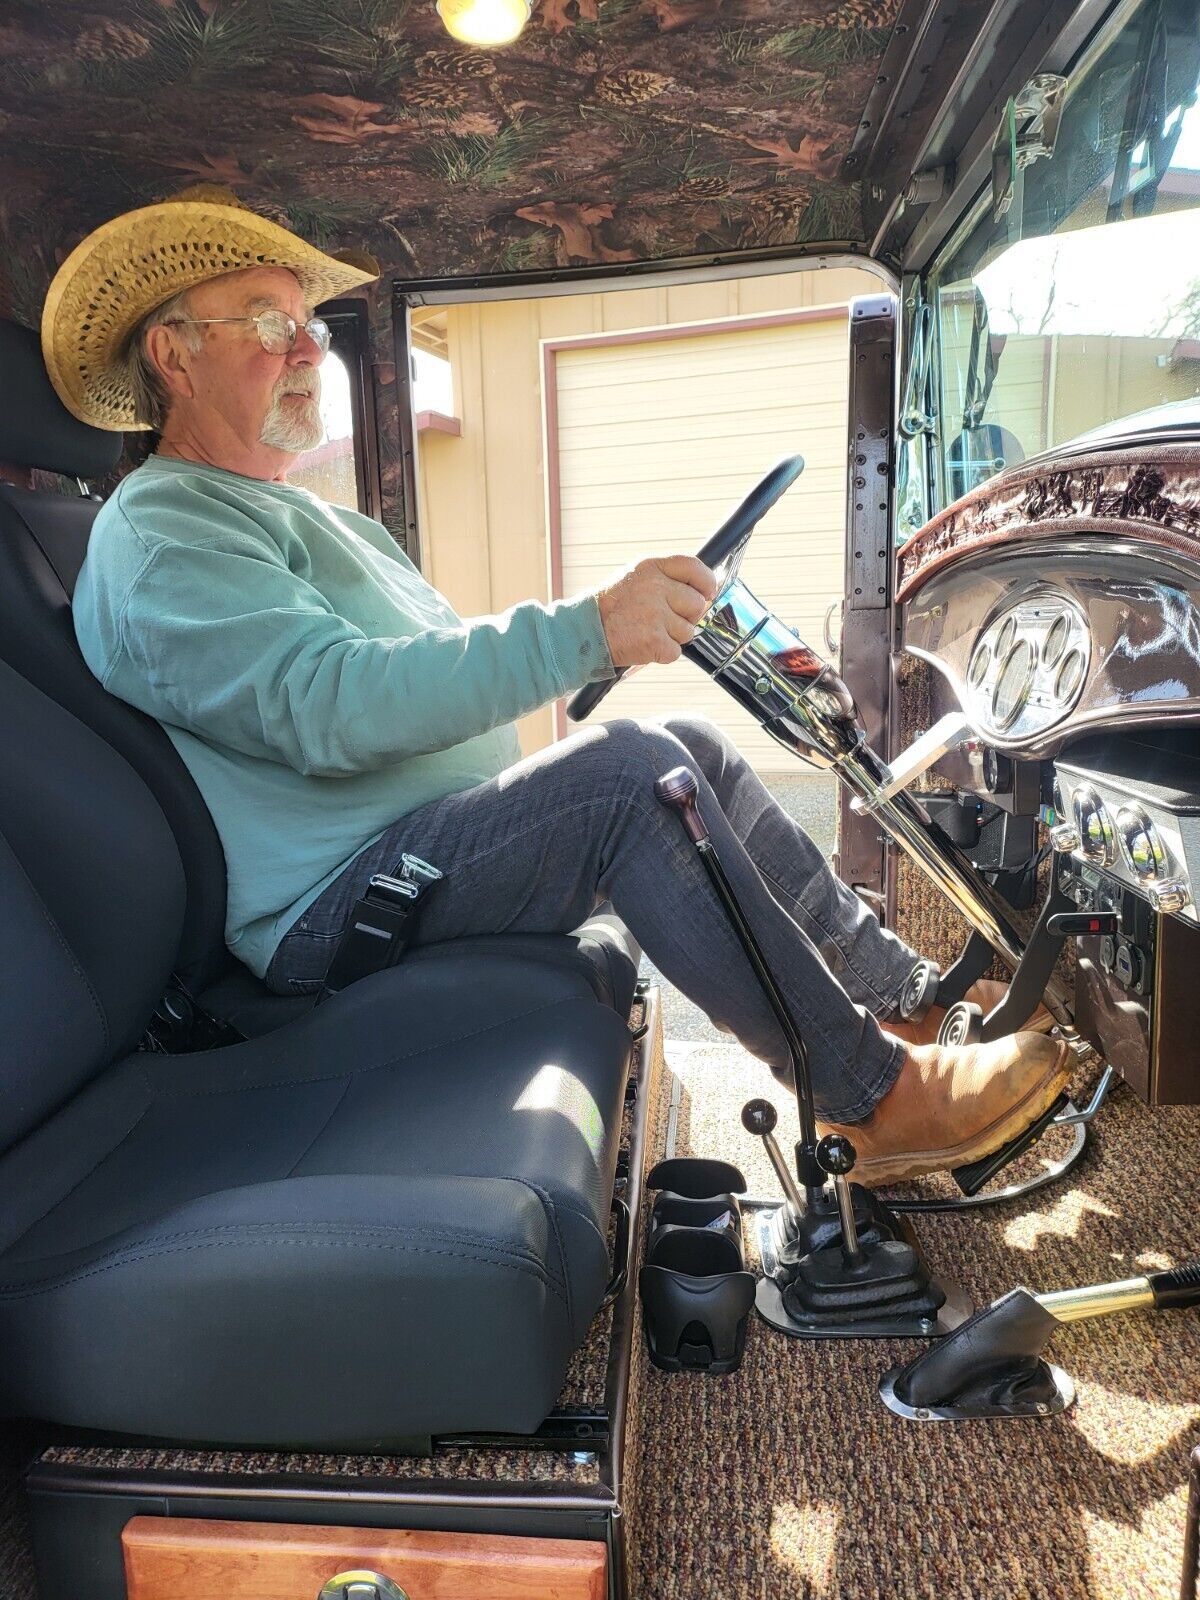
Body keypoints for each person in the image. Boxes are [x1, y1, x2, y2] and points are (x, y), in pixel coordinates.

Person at [45, 191, 1068, 1185]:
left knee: (684, 744)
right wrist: (584, 631)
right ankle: (872, 1100)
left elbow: (419, 662)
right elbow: (330, 705)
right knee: (631, 777)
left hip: (413, 849)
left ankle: (901, 1002)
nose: (309, 349)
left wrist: (597, 633)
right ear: (172, 355)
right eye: (270, 324)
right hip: (340, 908)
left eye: (309, 324)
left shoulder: (304, 517)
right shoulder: (163, 535)